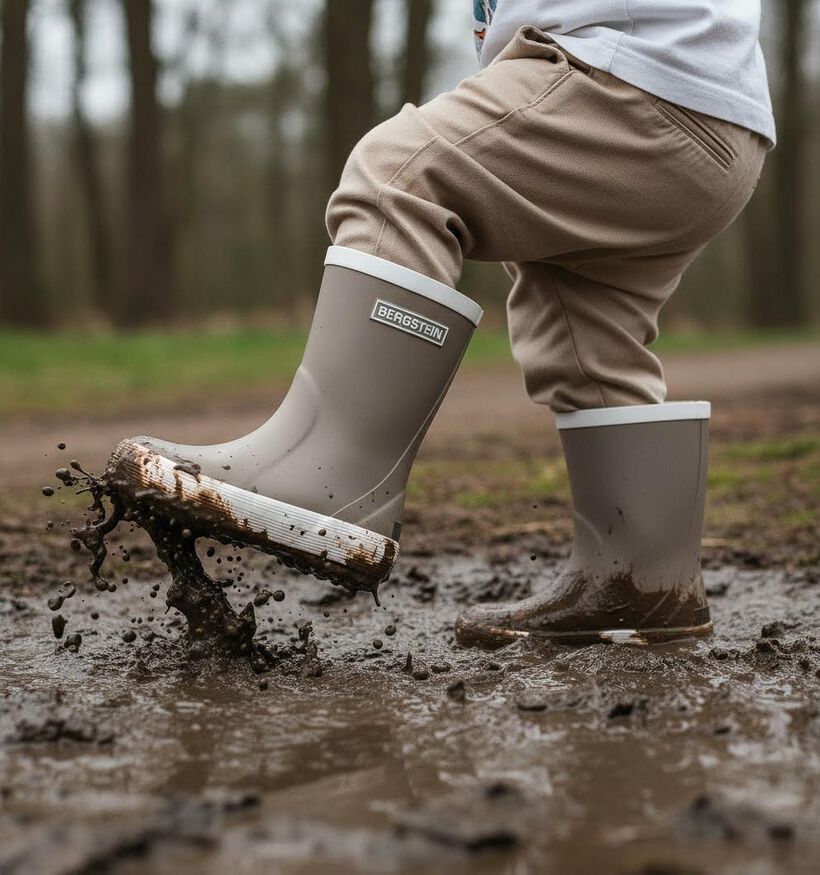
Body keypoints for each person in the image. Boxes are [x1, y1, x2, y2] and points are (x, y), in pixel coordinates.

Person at [108, 2, 773, 646]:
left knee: (400, 175)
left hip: (629, 72)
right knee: (582, 324)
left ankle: (332, 477)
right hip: (711, 107)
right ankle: (642, 580)